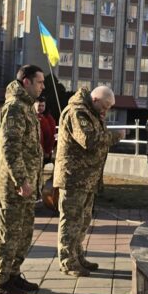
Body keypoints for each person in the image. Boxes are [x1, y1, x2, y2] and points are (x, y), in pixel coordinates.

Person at [54, 85, 125, 275]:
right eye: (105, 106)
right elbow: (90, 140)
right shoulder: (77, 112)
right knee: (71, 220)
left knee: (83, 220)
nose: (106, 110)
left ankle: (77, 255)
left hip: (86, 178)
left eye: (109, 107)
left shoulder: (91, 113)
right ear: (94, 100)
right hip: (73, 177)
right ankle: (68, 262)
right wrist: (116, 136)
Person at [0, 65, 45, 294]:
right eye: (39, 82)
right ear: (26, 82)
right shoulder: (14, 108)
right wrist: (22, 180)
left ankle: (13, 275)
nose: (42, 87)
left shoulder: (26, 107)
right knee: (10, 235)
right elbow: (10, 148)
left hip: (27, 184)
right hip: (15, 186)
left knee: (23, 234)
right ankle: (1, 282)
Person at [34, 98, 57, 164]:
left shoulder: (49, 119)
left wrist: (47, 151)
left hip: (42, 151)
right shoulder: (30, 116)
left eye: (42, 106)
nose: (41, 108)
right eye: (39, 106)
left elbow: (51, 135)